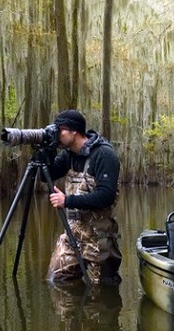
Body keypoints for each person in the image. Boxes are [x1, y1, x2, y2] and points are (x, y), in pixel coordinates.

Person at [45, 109, 122, 285]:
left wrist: (67, 201)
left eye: (60, 130)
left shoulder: (104, 155)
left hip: (98, 235)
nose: (57, 134)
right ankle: (71, 311)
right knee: (57, 281)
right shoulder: (69, 155)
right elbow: (46, 175)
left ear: (74, 131)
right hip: (73, 233)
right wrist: (45, 150)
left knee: (101, 291)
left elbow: (106, 196)